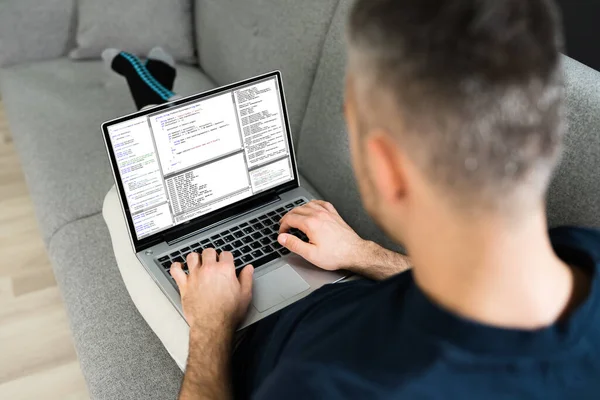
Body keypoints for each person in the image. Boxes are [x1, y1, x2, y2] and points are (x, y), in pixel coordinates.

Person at [105, 0, 600, 398]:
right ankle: (154, 92)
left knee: (119, 204)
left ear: (384, 165)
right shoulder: (584, 254)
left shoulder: (328, 381)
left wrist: (211, 328)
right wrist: (363, 254)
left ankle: (150, 90)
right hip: (338, 281)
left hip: (242, 335)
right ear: (549, 135)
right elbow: (486, 301)